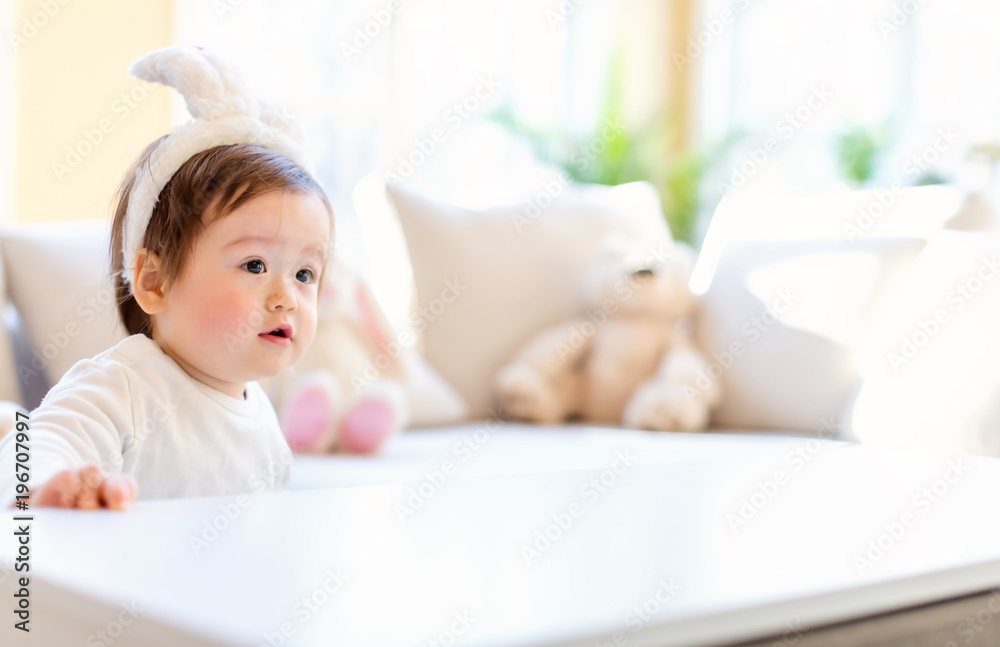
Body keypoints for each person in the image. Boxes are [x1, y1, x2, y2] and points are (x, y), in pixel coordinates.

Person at [0, 46, 333, 510]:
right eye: (255, 265)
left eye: (304, 273)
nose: (287, 298)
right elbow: (40, 445)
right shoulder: (127, 385)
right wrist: (58, 483)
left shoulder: (264, 423)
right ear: (154, 282)